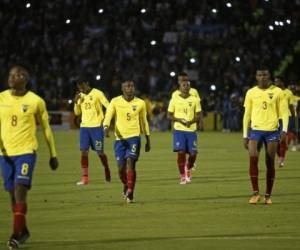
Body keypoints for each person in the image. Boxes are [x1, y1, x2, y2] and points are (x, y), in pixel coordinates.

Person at [0, 65, 59, 249]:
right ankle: (23, 230)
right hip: (4, 155)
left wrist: (53, 154)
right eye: (10, 74)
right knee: (12, 195)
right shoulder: (1, 98)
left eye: (16, 75)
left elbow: (46, 128)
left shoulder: (36, 101)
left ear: (25, 78)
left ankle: (15, 236)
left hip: (26, 152)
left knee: (19, 190)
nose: (12, 77)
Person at [243, 67, 288, 205]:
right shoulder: (251, 92)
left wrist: (284, 130)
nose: (262, 77)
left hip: (272, 131)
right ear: (256, 77)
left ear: (269, 76)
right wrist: (245, 134)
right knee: (253, 158)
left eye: (265, 74)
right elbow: (247, 115)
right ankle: (255, 193)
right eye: (259, 75)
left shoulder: (278, 92)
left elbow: (285, 112)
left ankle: (268, 195)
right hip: (255, 131)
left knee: (269, 162)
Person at [103, 80, 151, 203]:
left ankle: (130, 192)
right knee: (120, 169)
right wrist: (105, 128)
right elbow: (108, 116)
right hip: (120, 139)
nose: (130, 88)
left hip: (134, 137)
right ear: (122, 89)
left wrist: (147, 138)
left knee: (130, 162)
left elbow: (144, 121)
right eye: (127, 86)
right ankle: (126, 185)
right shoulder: (115, 101)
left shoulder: (140, 103)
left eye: (132, 86)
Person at [73, 81, 111, 185]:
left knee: (100, 152)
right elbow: (77, 113)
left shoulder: (97, 93)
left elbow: (109, 106)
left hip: (96, 128)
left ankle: (107, 170)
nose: (82, 90)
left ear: (87, 84)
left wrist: (106, 122)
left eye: (83, 87)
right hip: (84, 128)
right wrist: (76, 102)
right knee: (84, 151)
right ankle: (85, 178)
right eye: (80, 88)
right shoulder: (80, 95)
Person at [168, 75, 202, 184]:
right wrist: (177, 120)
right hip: (179, 129)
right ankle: (183, 176)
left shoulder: (195, 99)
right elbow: (169, 114)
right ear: (180, 86)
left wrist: (191, 122)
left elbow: (199, 114)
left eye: (187, 85)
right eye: (184, 85)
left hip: (191, 130)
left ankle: (188, 167)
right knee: (181, 151)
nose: (186, 87)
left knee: (193, 154)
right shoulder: (174, 98)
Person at [274, 76, 295, 167]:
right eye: (275, 82)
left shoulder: (288, 93)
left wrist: (293, 117)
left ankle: (282, 159)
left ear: (282, 82)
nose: (276, 84)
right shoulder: (274, 92)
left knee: (282, 139)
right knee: (275, 141)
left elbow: (291, 106)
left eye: (278, 82)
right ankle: (281, 155)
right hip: (277, 118)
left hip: (287, 118)